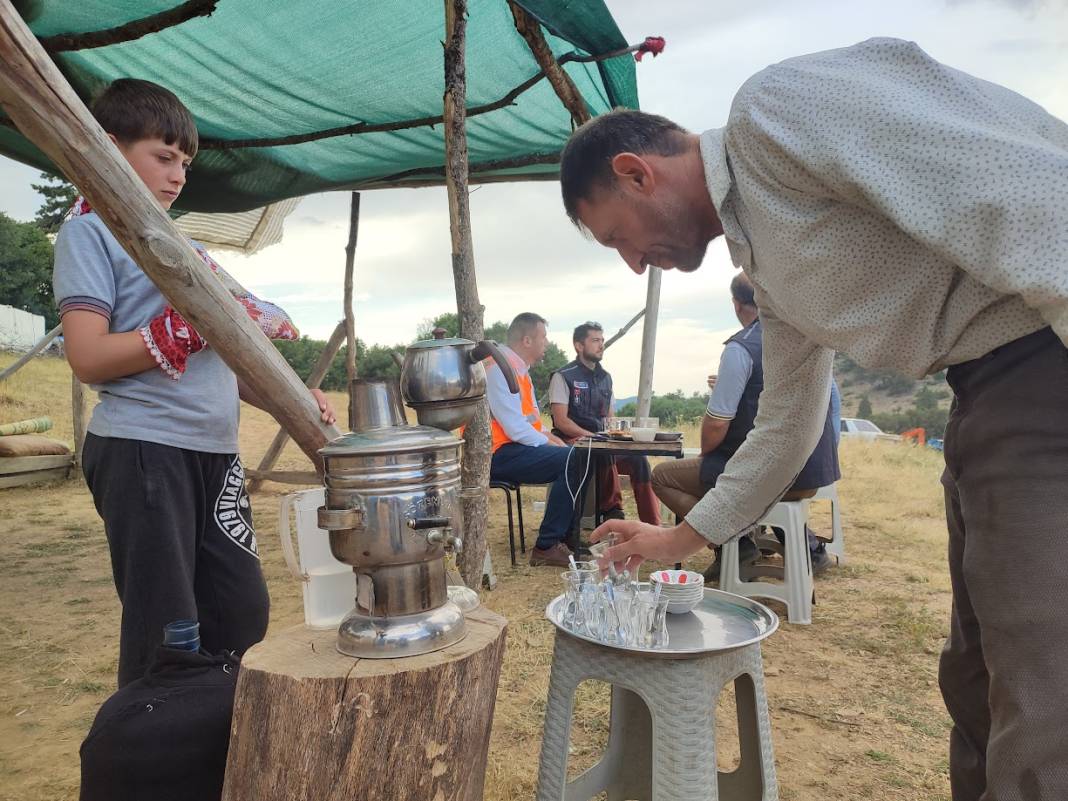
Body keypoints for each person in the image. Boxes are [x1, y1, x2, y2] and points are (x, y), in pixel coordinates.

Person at [559, 38, 1068, 801]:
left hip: (1041, 359)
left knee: (1044, 693)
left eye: (616, 237)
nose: (635, 264)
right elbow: (787, 424)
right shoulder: (773, 261)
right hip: (984, 391)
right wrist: (678, 537)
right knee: (977, 675)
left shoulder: (772, 116)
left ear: (637, 173)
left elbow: (1011, 187)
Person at [52, 79, 336, 687]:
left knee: (241, 611)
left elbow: (225, 359)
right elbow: (87, 356)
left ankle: (210, 734)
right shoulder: (90, 230)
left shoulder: (177, 243)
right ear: (107, 147)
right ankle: (157, 753)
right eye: (163, 156)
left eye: (185, 161)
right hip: (143, 449)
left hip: (212, 452)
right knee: (167, 630)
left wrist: (287, 394)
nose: (178, 174)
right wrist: (179, 330)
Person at [652, 273, 839, 578]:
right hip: (813, 474)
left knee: (663, 477)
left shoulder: (741, 349)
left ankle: (734, 545)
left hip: (769, 472)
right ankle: (807, 546)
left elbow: (715, 425)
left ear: (737, 305)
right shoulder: (804, 336)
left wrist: (706, 455)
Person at [486, 313, 589, 567]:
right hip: (497, 454)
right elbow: (514, 428)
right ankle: (547, 546)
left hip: (514, 448)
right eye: (543, 337)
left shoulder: (519, 370)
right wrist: (550, 443)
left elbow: (531, 421)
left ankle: (567, 538)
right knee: (570, 459)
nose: (547, 342)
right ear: (527, 340)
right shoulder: (498, 369)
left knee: (579, 455)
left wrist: (553, 438)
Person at [549, 321, 661, 526]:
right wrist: (593, 436)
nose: (601, 345)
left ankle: (654, 526)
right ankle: (613, 510)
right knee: (601, 450)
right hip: (571, 441)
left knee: (639, 459)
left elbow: (610, 420)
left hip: (600, 443)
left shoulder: (606, 378)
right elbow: (561, 421)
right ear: (579, 346)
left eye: (602, 340)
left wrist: (619, 436)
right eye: (595, 340)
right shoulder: (562, 376)